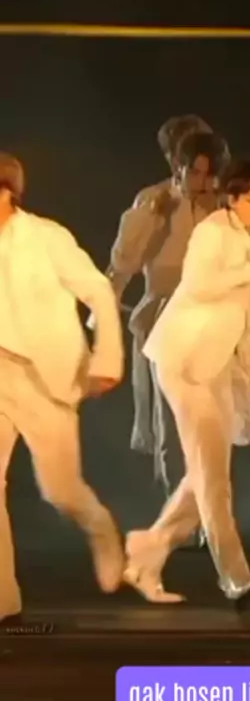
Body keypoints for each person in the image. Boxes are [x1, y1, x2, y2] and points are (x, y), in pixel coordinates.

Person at [122, 158, 250, 604]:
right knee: (212, 477)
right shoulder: (212, 231)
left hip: (216, 362)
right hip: (182, 359)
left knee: (205, 474)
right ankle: (234, 576)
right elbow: (200, 285)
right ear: (232, 199)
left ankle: (146, 553)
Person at [0, 153, 125, 623]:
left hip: (45, 377)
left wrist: (106, 359)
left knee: (60, 490)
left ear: (6, 192)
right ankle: (4, 596)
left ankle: (99, 527)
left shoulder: (46, 237)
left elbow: (98, 291)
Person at [107, 128, 229, 516]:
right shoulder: (155, 200)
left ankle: (210, 512)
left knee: (213, 422)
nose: (202, 182)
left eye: (209, 174)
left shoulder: (224, 205)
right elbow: (124, 259)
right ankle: (181, 510)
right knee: (172, 422)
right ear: (178, 165)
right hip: (166, 318)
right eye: (195, 171)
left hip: (214, 321)